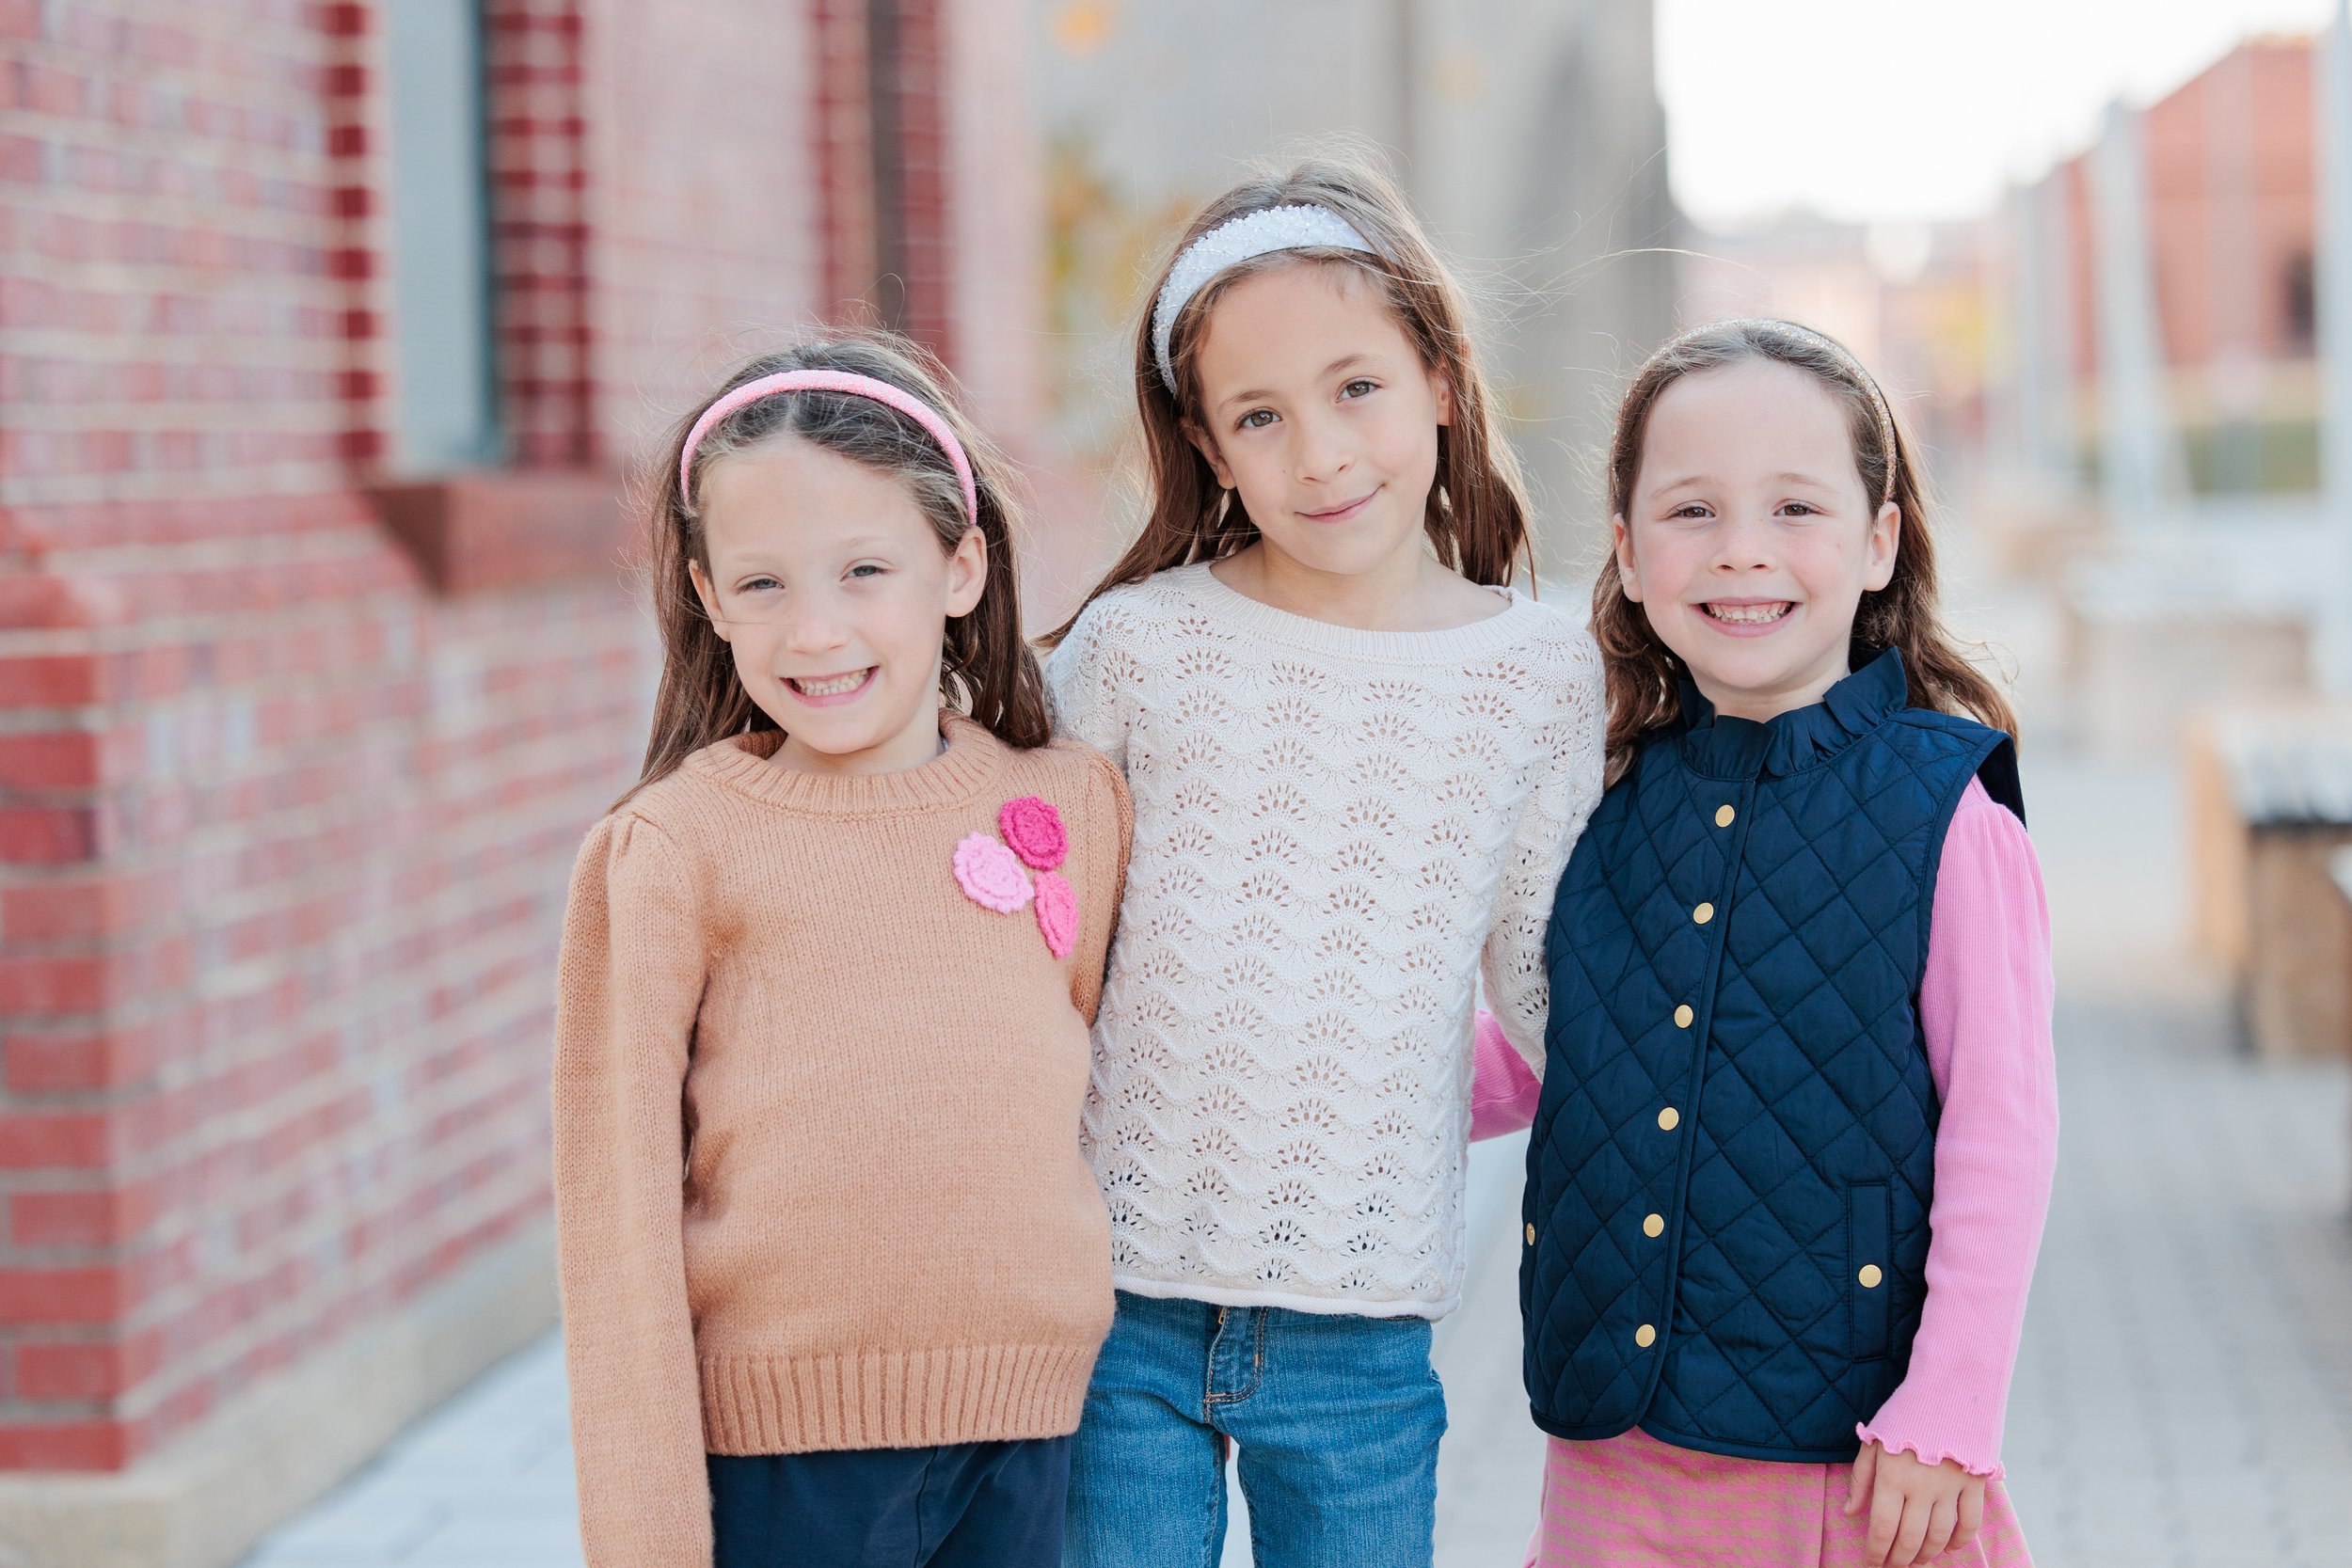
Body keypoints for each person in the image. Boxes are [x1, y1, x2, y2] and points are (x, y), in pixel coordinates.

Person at [1044, 156, 1606, 1567]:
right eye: (1261, 415)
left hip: (1362, 1324)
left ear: (1436, 373)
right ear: (1209, 444)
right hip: (1112, 1305)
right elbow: (1038, 946)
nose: (1322, 453)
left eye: (1356, 387)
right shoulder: (1138, 649)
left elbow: (1551, 989)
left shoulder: (1534, 674)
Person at [551, 333, 1130, 1568]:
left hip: (1032, 1441)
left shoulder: (1071, 806)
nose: (815, 632)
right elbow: (618, 1232)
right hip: (781, 1477)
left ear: (959, 566)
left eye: (864, 569)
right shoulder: (671, 849)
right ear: (707, 598)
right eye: (762, 585)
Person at [1513, 319, 2056, 1568]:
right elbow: (1532, 1042)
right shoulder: (1602, 805)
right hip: (1613, 1456)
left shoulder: (1949, 813)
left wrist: (1953, 1410)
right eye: (1691, 510)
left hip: (1864, 1462)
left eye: (1795, 507)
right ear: (1630, 557)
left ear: (1878, 543)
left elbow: (2004, 1132)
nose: (1742, 550)